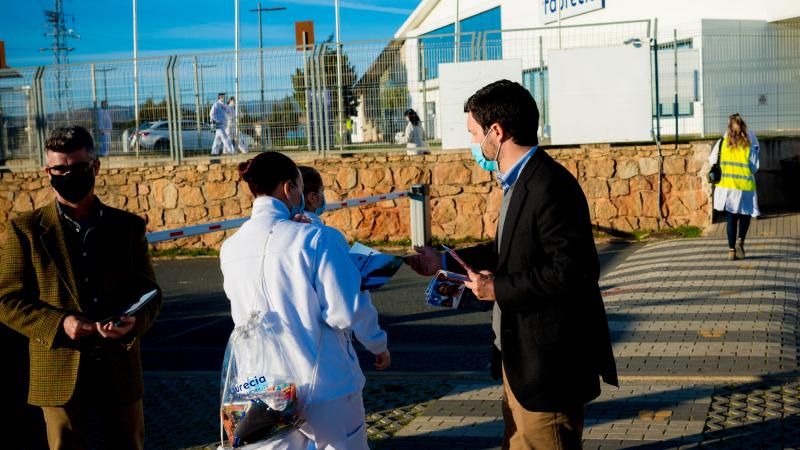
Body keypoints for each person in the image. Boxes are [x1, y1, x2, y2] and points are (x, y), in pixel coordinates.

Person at [405, 80, 618, 450]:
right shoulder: (519, 181)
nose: (474, 145)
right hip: (521, 363)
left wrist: (497, 289)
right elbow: (505, 250)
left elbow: (571, 272)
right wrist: (442, 260)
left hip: (548, 369)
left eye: (474, 134)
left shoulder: (550, 185)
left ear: (497, 132)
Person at [0, 125, 162, 450]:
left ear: (95, 166)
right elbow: (7, 301)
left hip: (119, 366)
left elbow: (150, 292)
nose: (68, 174)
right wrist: (60, 323)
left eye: (78, 167)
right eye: (60, 168)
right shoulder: (25, 230)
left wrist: (134, 321)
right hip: (59, 367)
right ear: (48, 171)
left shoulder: (127, 227)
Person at [220, 152, 390, 450]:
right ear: (289, 188)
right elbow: (345, 311)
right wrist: (378, 343)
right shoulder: (316, 239)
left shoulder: (230, 247)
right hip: (326, 383)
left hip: (264, 387)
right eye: (299, 186)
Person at [708, 113, 760, 260]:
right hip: (744, 187)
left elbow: (712, 161)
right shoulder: (749, 145)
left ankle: (731, 251)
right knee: (745, 215)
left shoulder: (721, 143)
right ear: (743, 126)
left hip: (727, 188)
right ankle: (740, 241)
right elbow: (754, 167)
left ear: (729, 127)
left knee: (731, 218)